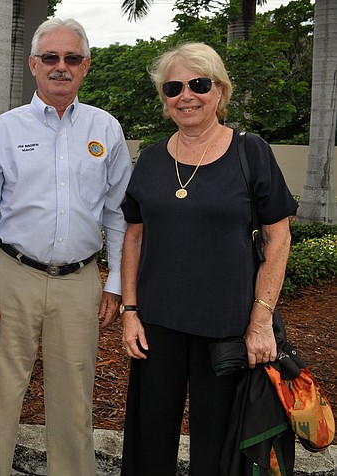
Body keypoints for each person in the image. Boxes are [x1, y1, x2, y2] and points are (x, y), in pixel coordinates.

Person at [0, 17, 131, 475]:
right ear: (33, 64)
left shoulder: (105, 130)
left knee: (75, 397)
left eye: (72, 58)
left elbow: (119, 214)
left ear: (86, 67)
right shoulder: (5, 130)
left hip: (80, 283)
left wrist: (115, 282)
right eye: (50, 58)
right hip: (12, 277)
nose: (61, 67)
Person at [119, 42, 297, 475]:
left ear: (219, 90)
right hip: (157, 326)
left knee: (217, 447)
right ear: (164, 98)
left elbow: (278, 239)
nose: (186, 95)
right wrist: (129, 310)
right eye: (173, 87)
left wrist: (260, 321)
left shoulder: (250, 152)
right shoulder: (152, 159)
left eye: (199, 84)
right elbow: (134, 238)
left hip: (227, 327)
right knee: (150, 438)